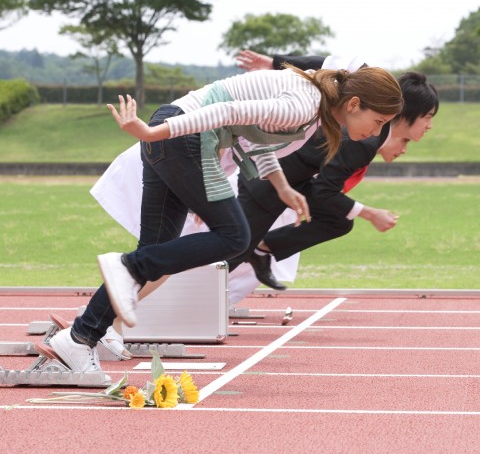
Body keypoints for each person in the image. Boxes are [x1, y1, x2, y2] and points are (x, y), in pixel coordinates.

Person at [46, 63, 403, 374]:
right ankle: (127, 267)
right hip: (181, 135)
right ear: (354, 104)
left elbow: (257, 140)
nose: (376, 133)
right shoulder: (305, 105)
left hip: (175, 133)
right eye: (379, 122)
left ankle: (81, 337)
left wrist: (281, 187)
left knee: (158, 248)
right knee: (235, 237)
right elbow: (227, 112)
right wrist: (154, 133)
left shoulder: (313, 111)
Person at [227, 51, 439, 291]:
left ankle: (260, 250)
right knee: (231, 251)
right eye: (428, 117)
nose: (430, 125)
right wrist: (369, 213)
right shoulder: (363, 140)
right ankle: (189, 305)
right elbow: (331, 63)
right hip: (265, 180)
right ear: (406, 113)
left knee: (338, 219)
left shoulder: (366, 133)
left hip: (291, 182)